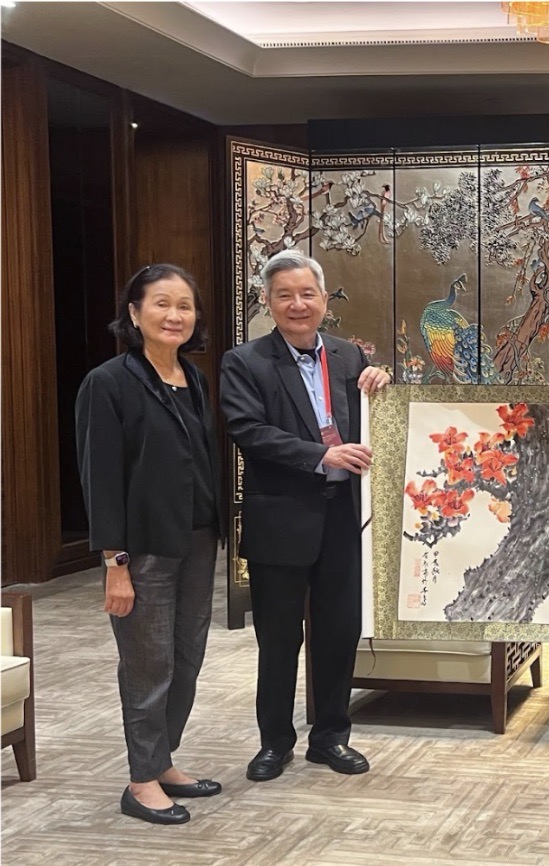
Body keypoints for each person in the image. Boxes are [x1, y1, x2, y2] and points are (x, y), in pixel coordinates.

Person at [220, 250, 390, 783]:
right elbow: (248, 431)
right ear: (268, 303)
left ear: (323, 299)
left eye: (307, 293)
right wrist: (321, 455)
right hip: (281, 520)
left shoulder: (347, 356)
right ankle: (275, 742)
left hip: (344, 519)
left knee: (339, 632)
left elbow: (375, 418)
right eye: (284, 295)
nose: (298, 304)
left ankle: (331, 737)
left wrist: (384, 378)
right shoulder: (244, 362)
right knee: (278, 638)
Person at [75, 264, 224, 825]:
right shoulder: (108, 383)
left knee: (186, 656)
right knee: (147, 663)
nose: (174, 315)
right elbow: (101, 478)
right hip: (142, 549)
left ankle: (163, 761)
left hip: (196, 538)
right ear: (134, 314)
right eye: (160, 304)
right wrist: (114, 563)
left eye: (184, 305)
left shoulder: (194, 376)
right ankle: (140, 782)